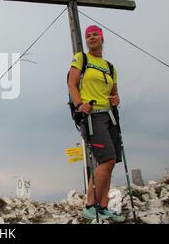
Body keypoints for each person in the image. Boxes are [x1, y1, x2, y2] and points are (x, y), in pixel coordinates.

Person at [67, 25, 124, 222]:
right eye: (88, 36)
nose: (91, 38)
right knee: (107, 159)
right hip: (92, 116)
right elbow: (72, 84)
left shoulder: (110, 67)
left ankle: (103, 207)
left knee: (110, 161)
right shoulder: (81, 59)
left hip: (110, 116)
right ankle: (90, 206)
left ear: (102, 39)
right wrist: (79, 104)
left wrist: (116, 99)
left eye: (95, 35)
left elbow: (114, 93)